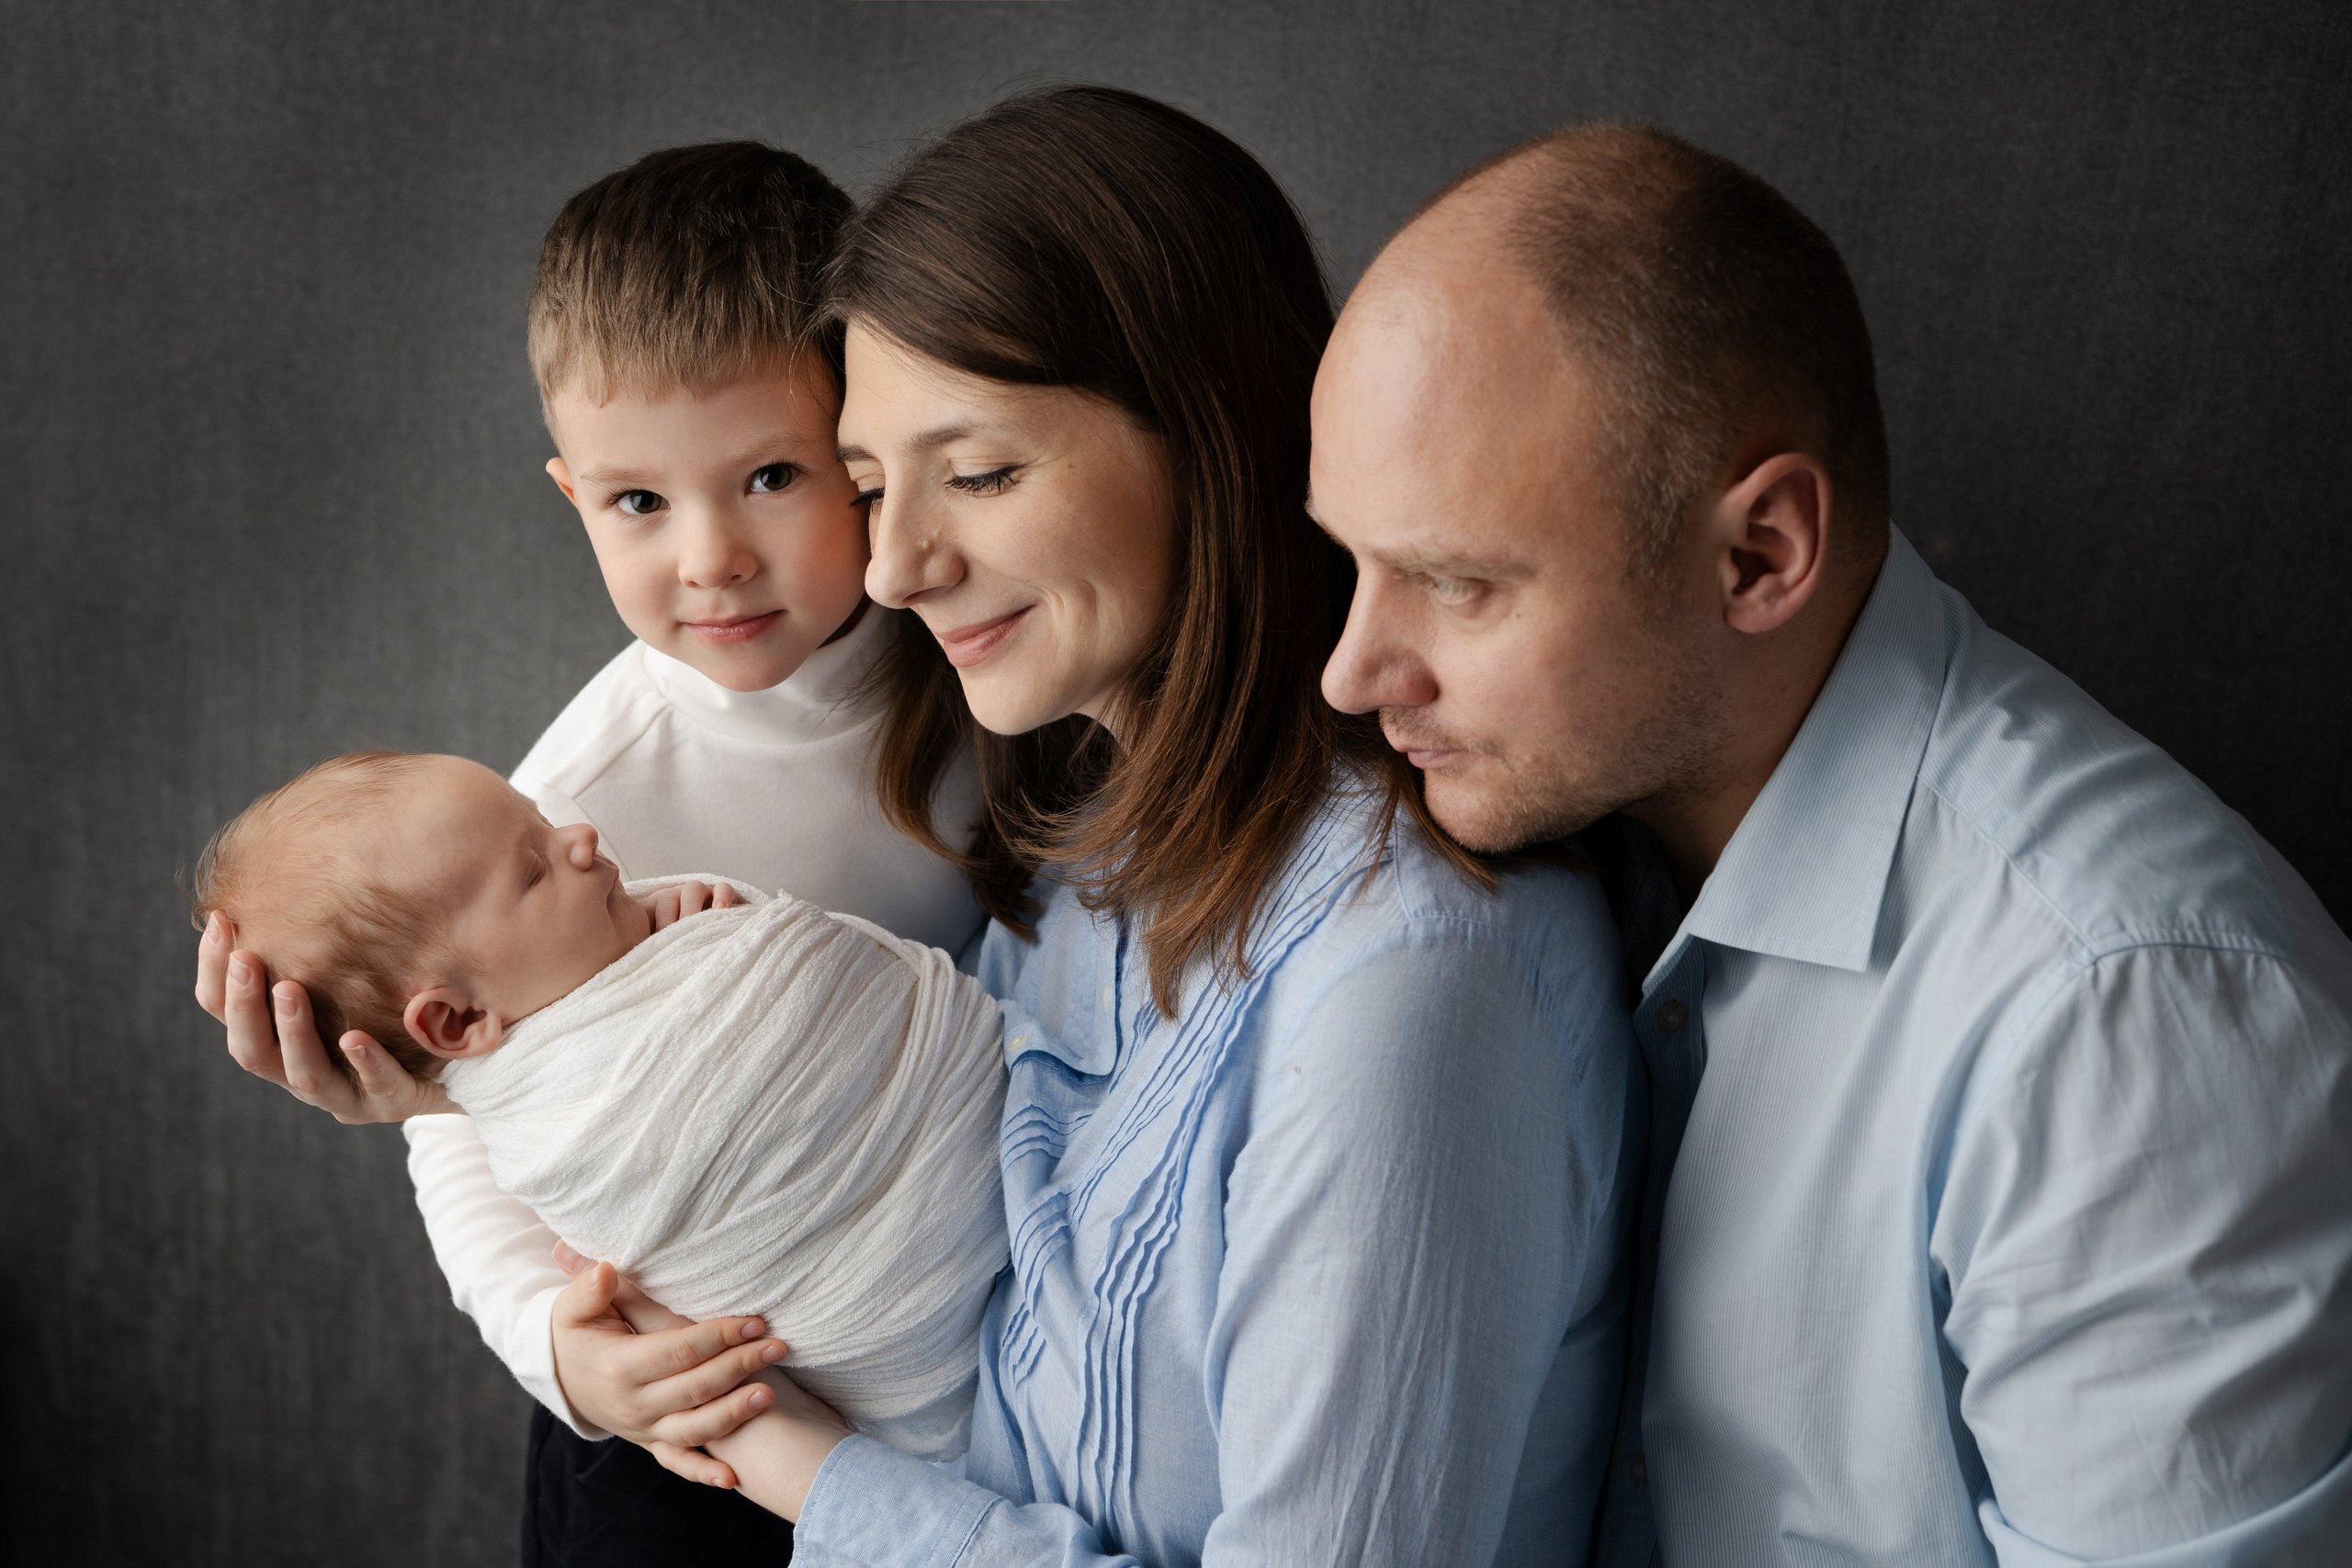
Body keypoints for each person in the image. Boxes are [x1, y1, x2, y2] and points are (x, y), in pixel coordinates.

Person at [206, 86, 1641, 1566]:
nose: (890, 569)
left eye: (981, 472)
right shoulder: (1084, 835)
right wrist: (461, 1102)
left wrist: (790, 1459)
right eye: (874, 483)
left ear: (1207, 430)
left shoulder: (1404, 975)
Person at [1307, 122, 2352, 1564]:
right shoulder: (1574, 833)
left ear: (1761, 555)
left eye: (1457, 581)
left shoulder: (2122, 1024)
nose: (1351, 673)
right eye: (1351, 561)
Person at [195, 141, 984, 1564]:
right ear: (571, 493)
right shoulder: (569, 811)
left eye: (771, 475)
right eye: (639, 503)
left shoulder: (986, 653)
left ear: (866, 449)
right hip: (700, 1401)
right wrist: (563, 1355)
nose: (711, 557)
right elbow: (464, 1141)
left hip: (938, 1303)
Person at [187, 749, 1006, 1461]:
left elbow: (800, 986)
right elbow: (638, 1141)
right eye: (535, 869)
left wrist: (686, 930)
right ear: (458, 1021)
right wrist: (553, 1351)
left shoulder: (558, 927)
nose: (580, 837)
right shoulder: (551, 1127)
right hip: (903, 1313)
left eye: (545, 825)